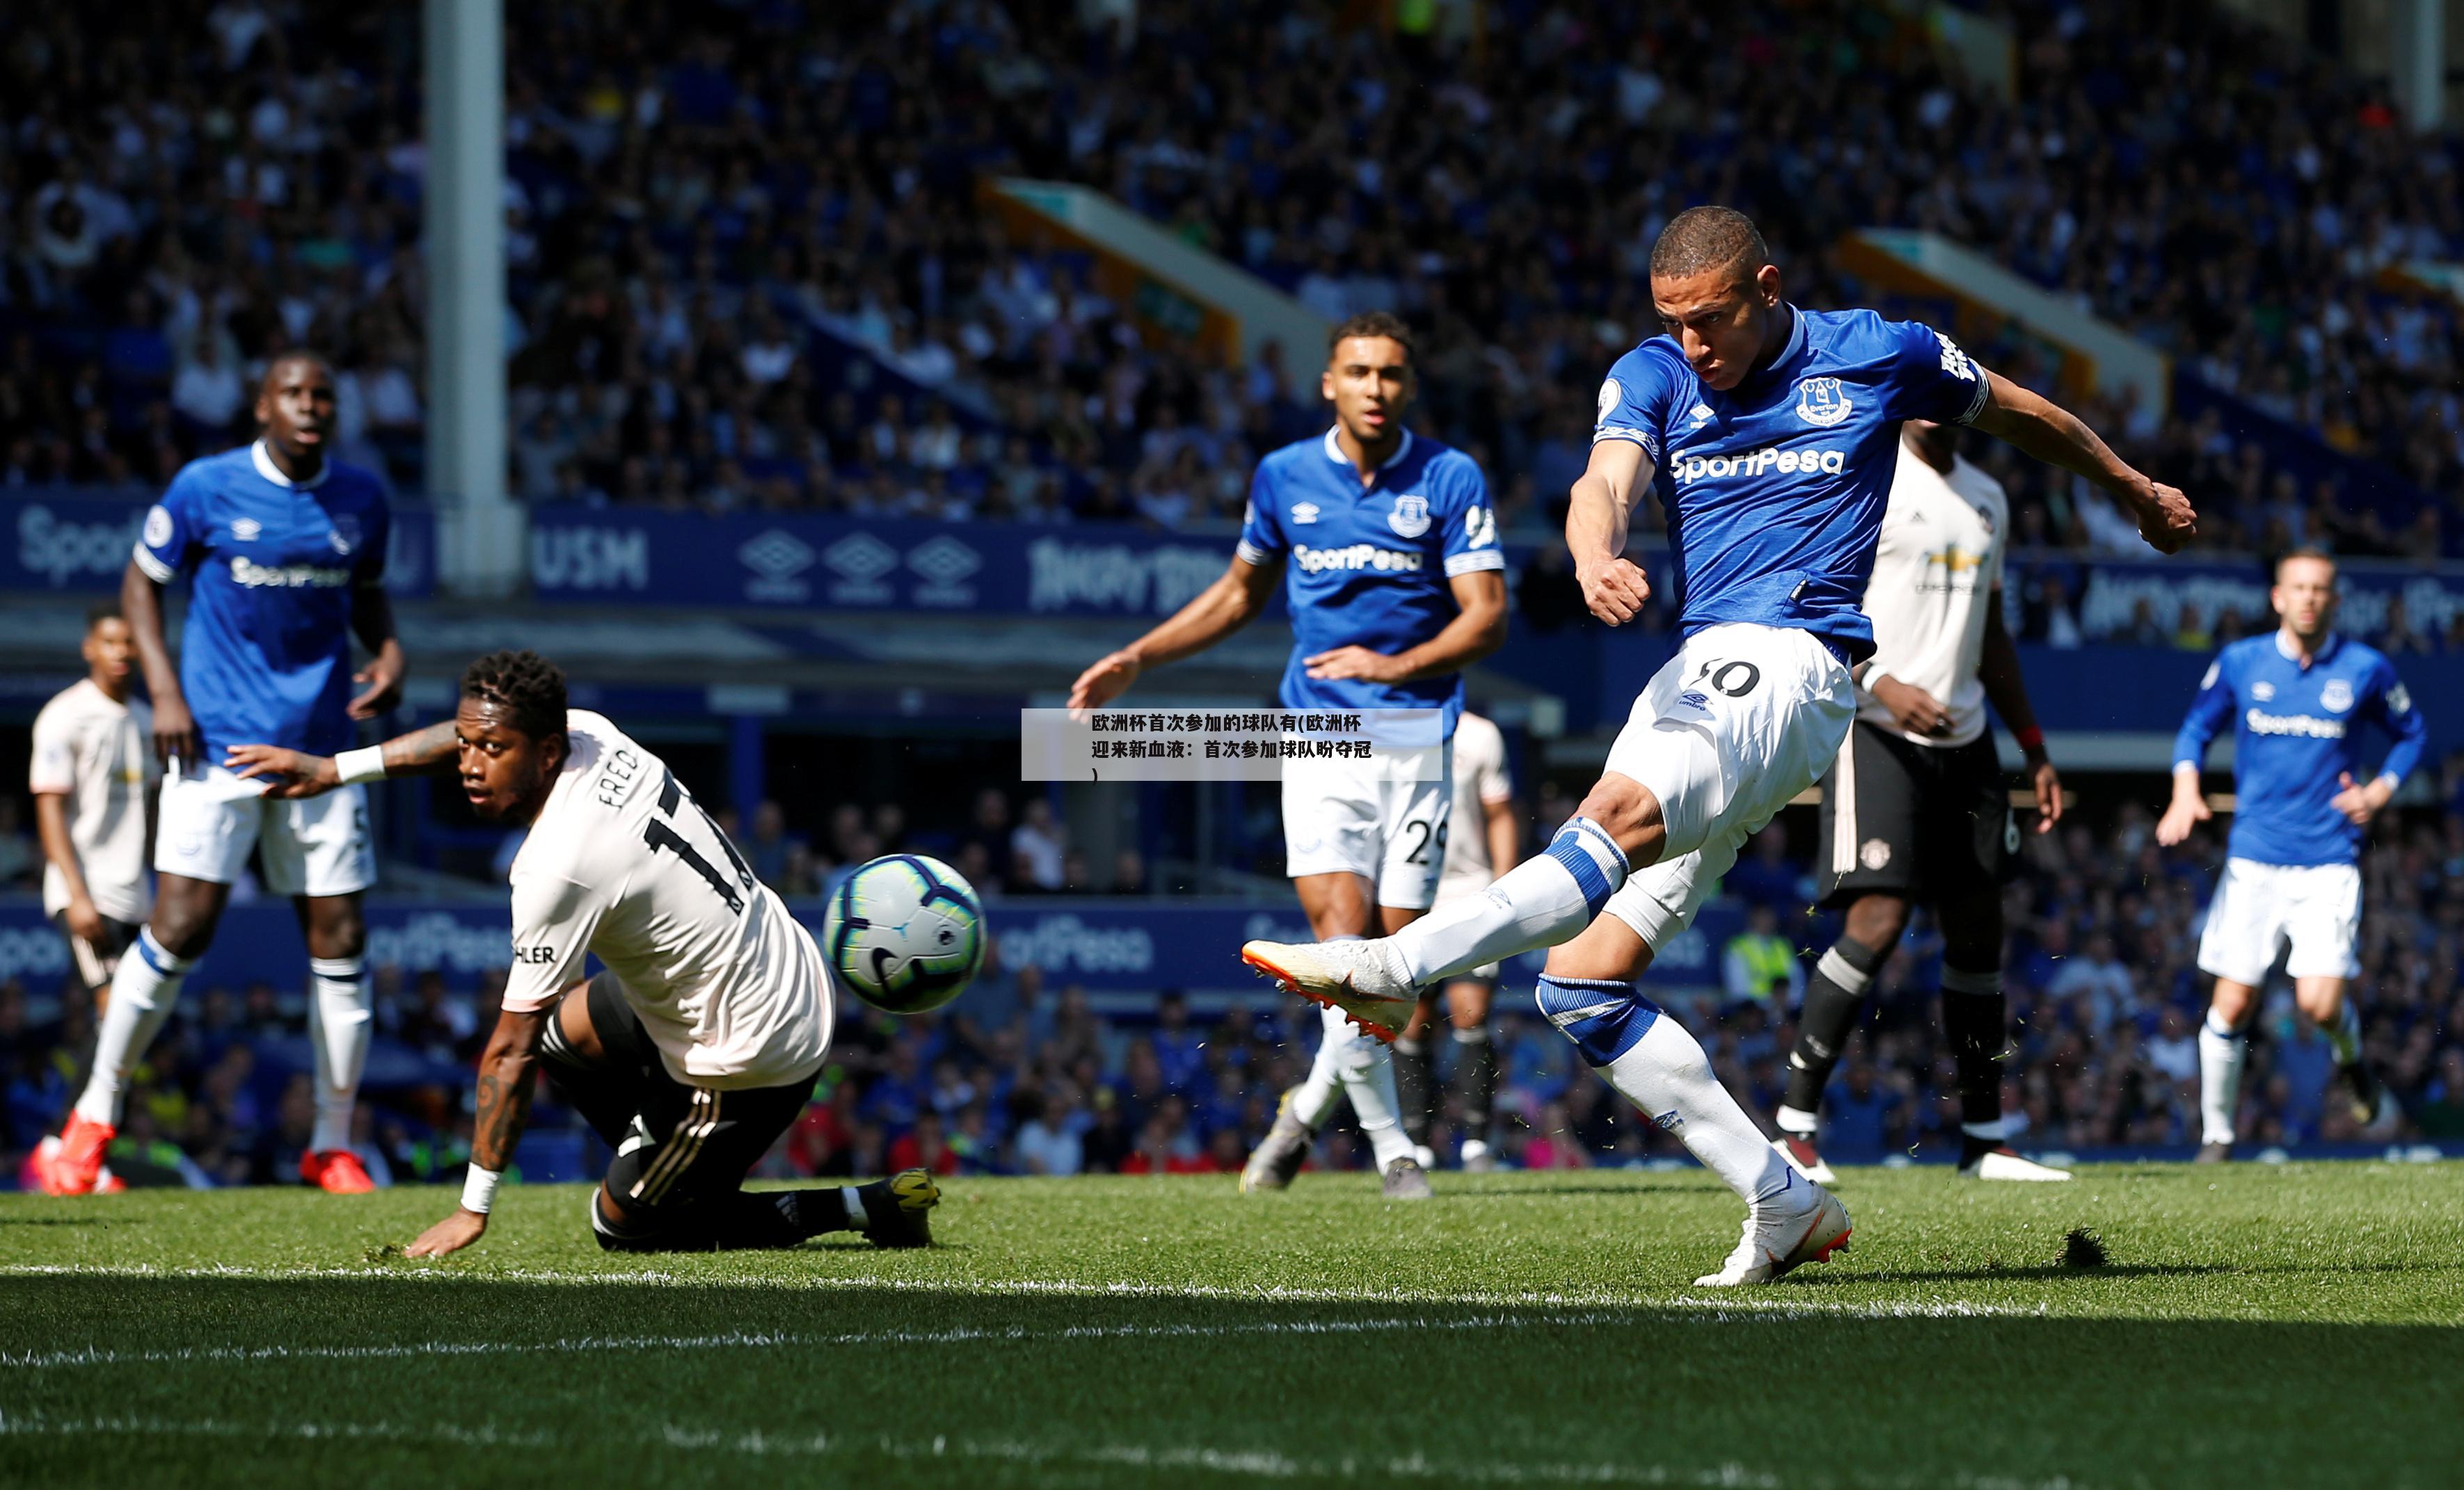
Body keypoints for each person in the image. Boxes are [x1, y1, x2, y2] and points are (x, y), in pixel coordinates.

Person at [1242, 207, 2193, 1284]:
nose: (1693, 343)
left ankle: (1392, 968)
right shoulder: (1654, 372)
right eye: (1673, 321)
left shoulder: (1880, 351)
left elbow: (2024, 414)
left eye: (1710, 320)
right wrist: (1596, 551)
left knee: (1607, 822)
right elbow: (1600, 481)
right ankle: (1781, 1198)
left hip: (1792, 664)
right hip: (1700, 674)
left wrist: (2132, 490)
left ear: (1766, 287)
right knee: (1582, 987)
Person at [224, 650, 939, 1253]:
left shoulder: (556, 863)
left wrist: (474, 1206)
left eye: (493, 751)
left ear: (547, 751)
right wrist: (337, 769)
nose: (470, 765)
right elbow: (475, 729)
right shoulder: (592, 732)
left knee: (624, 1226)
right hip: (759, 963)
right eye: (468, 744)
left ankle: (855, 1205)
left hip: (750, 1045)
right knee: (572, 1041)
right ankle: (680, 1168)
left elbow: (509, 1049)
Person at [1068, 311, 1508, 1200]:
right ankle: (1396, 1153)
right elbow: (1238, 592)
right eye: (1358, 372)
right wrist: (1140, 656)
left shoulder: (1450, 476)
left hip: (1421, 735)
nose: (1374, 389)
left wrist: (1399, 663)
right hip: (1318, 735)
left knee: (1398, 962)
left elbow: (1485, 611)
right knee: (1342, 945)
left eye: (1389, 373)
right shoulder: (1283, 477)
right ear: (1328, 384)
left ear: (1408, 385)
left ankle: (1297, 1118)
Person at [46, 354, 406, 1197]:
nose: (311, 406)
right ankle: (94, 1115)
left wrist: (388, 652)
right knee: (180, 928)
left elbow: (370, 594)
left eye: (323, 394)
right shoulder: (206, 486)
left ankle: (330, 1141)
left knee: (342, 939)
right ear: (263, 406)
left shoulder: (362, 498)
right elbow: (141, 583)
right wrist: (165, 691)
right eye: (295, 393)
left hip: (322, 754)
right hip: (216, 746)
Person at [1770, 418, 2072, 1185]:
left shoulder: (1987, 497)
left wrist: (2033, 747)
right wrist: (1880, 681)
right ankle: (1795, 1130)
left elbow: (1991, 633)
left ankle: (1983, 1139)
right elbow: (1810, 598)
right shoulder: (1863, 476)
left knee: (1978, 928)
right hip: (1874, 728)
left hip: (1966, 738)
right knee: (1880, 917)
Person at [2157, 548, 2422, 1161]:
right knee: (2233, 1000)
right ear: (2277, 596)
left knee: (2318, 1003)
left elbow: (2413, 734)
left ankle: (2352, 1062)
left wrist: (2380, 789)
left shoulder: (2365, 668)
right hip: (2253, 859)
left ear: (2334, 599)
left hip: (2328, 860)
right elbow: (2196, 728)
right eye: (2297, 587)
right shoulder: (2241, 661)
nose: (2307, 597)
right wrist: (2184, 787)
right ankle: (2216, 1138)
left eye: (2319, 589)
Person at [1393, 708, 1519, 1171]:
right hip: (1404, 890)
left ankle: (1476, 1143)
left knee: (1471, 1012)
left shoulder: (1480, 733)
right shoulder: (1385, 725)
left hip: (1468, 889)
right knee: (1413, 1018)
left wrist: (1505, 888)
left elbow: (1499, 812)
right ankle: (1418, 1142)